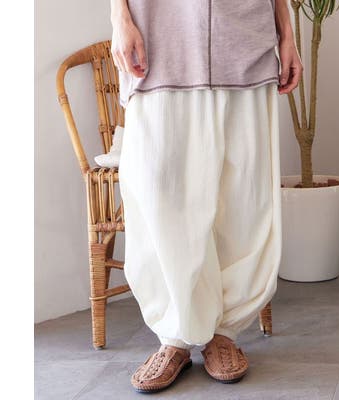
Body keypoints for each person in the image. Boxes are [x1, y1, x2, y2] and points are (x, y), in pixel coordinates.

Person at [110, 0, 302, 393]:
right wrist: (119, 17)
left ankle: (224, 332)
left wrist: (287, 34)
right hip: (160, 37)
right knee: (158, 191)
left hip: (244, 37)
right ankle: (174, 334)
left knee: (244, 196)